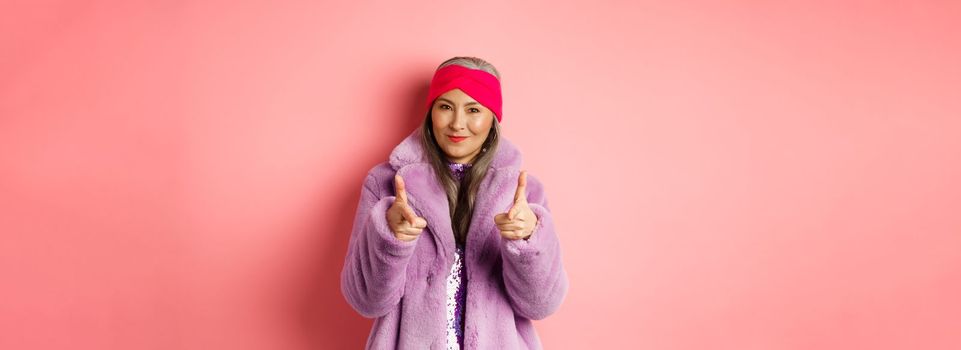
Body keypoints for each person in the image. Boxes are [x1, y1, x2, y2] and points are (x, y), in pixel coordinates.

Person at [340, 56, 569, 349]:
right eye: (445, 107)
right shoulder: (385, 184)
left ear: (492, 120)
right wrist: (391, 238)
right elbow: (365, 300)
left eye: (473, 109)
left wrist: (526, 241)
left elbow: (542, 305)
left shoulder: (522, 194)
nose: (457, 123)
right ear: (431, 112)